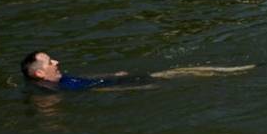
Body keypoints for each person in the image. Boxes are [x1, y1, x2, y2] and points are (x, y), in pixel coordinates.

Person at [20, 51, 253, 92]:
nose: (56, 62)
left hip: (118, 82)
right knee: (178, 73)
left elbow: (85, 80)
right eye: (50, 62)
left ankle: (230, 70)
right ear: (40, 74)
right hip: (122, 87)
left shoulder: (61, 80)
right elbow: (95, 92)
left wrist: (113, 74)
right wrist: (135, 87)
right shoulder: (50, 93)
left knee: (180, 71)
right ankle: (233, 71)